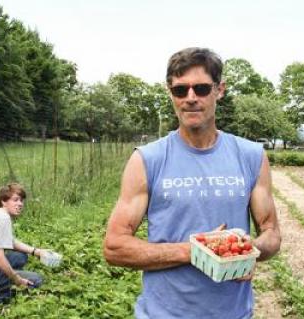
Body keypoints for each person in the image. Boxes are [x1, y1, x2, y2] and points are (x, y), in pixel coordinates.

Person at [103, 47, 281, 319]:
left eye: (200, 88)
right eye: (180, 90)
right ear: (170, 93)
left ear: (219, 90)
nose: (190, 98)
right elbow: (115, 246)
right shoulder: (148, 159)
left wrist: (251, 250)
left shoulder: (251, 155)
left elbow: (271, 233)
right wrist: (197, 251)